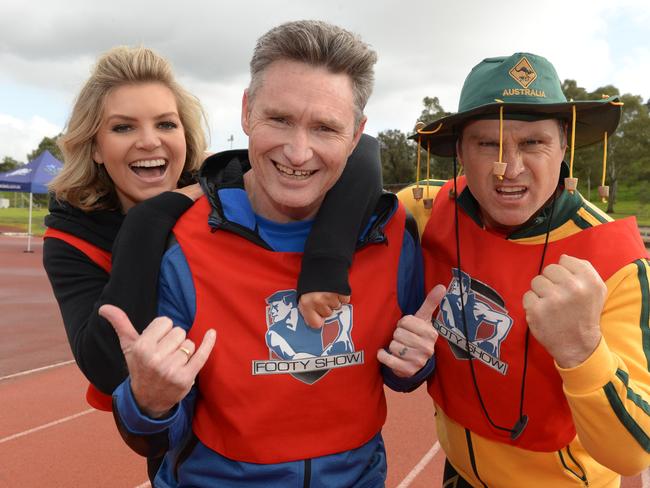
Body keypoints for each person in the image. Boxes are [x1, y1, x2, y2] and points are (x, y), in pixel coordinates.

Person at [101, 20, 438, 487]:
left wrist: (416, 362)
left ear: (357, 134)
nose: (298, 153)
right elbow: (157, 432)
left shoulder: (391, 233)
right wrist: (150, 401)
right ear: (246, 111)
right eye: (279, 119)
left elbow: (400, 370)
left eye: (325, 128)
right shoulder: (182, 244)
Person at [42, 44, 389, 481]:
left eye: (165, 124)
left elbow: (363, 152)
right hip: (169, 425)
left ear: (185, 136)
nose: (149, 140)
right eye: (123, 127)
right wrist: (148, 224)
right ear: (95, 147)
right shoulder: (72, 233)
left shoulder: (217, 187)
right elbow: (109, 365)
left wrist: (325, 264)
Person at [398, 52, 650, 487]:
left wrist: (581, 350)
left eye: (533, 142)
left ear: (564, 144)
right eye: (486, 145)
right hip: (458, 471)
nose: (509, 170)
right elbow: (342, 195)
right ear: (459, 150)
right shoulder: (430, 207)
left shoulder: (616, 260)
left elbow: (632, 452)